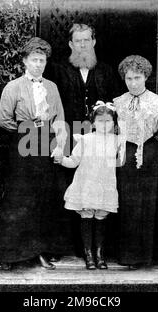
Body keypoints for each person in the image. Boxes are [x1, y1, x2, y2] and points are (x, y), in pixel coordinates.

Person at [44, 23, 121, 258]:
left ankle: (96, 251)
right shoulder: (57, 70)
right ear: (70, 44)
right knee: (67, 187)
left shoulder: (106, 71)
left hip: (99, 139)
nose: (83, 44)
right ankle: (65, 248)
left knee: (95, 188)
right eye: (78, 41)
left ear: (94, 42)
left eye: (87, 40)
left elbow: (115, 108)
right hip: (68, 133)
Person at [0, 37, 68, 271]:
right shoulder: (13, 87)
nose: (38, 64)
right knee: (19, 198)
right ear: (25, 61)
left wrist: (58, 146)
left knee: (43, 197)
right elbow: (3, 121)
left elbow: (60, 120)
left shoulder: (52, 88)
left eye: (42, 60)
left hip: (46, 146)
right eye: (33, 60)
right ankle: (11, 254)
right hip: (22, 146)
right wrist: (27, 128)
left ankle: (40, 251)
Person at [54, 101, 121, 270]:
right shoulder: (85, 139)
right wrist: (61, 159)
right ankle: (88, 255)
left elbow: (120, 164)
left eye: (108, 121)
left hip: (105, 185)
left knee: (101, 218)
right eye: (100, 121)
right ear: (93, 123)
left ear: (113, 123)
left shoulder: (117, 141)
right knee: (87, 217)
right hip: (87, 185)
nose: (104, 125)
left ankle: (100, 254)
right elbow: (73, 161)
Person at [113, 55, 158, 269]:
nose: (133, 83)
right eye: (129, 78)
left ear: (145, 77)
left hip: (149, 152)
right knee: (128, 201)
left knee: (147, 202)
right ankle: (127, 256)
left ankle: (146, 256)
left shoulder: (157, 100)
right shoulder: (118, 101)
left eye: (137, 77)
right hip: (126, 152)